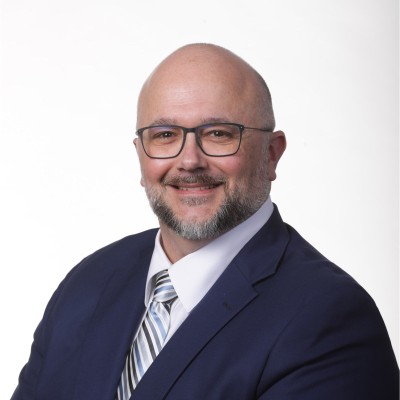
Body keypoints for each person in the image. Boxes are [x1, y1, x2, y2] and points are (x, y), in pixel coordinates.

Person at [12, 43, 398, 400]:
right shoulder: (88, 282)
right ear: (140, 154)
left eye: (218, 133)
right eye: (165, 135)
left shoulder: (331, 320)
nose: (189, 161)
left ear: (271, 154)